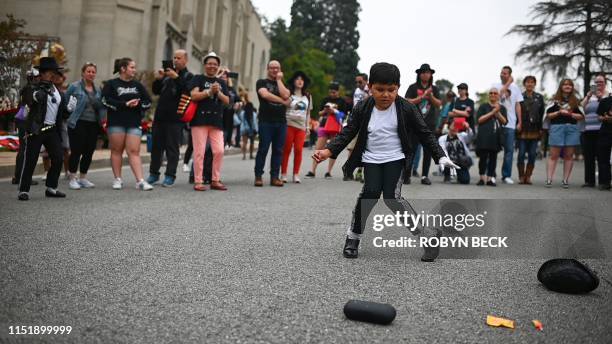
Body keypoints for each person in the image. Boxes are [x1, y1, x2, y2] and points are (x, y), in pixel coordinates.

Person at [312, 62, 459, 260]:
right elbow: (348, 132)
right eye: (380, 90)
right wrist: (328, 151)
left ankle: (427, 237)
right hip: (371, 159)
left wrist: (441, 155)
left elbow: (425, 133)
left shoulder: (406, 107)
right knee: (369, 194)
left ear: (398, 88)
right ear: (370, 87)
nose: (386, 95)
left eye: (391, 90)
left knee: (392, 198)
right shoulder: (363, 107)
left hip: (396, 158)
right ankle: (353, 237)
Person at [17, 57, 73, 200]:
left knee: (58, 158)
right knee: (31, 159)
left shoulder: (57, 91)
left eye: (54, 72)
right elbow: (29, 99)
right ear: (41, 73)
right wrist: (37, 94)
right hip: (37, 129)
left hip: (52, 129)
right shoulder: (33, 87)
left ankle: (51, 187)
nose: (52, 74)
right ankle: (24, 190)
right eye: (49, 72)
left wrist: (70, 109)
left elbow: (62, 114)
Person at [101, 57, 153, 191]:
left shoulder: (138, 85)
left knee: (134, 151)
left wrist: (138, 104)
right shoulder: (111, 84)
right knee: (117, 150)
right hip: (116, 122)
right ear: (123, 69)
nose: (134, 70)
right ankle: (118, 179)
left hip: (133, 122)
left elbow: (148, 101)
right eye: (132, 67)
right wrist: (124, 104)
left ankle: (140, 181)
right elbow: (105, 101)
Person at [147, 50, 193, 187]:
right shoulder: (167, 75)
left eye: (179, 58)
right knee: (156, 147)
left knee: (172, 148)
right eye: (174, 57)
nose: (175, 60)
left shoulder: (189, 76)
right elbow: (156, 91)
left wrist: (176, 78)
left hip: (175, 118)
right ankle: (153, 174)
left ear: (185, 60)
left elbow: (187, 91)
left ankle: (170, 175)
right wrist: (158, 79)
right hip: (160, 117)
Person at [188, 52, 230, 191]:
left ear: (218, 66)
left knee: (219, 151)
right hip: (199, 119)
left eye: (215, 64)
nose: (212, 66)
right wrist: (209, 92)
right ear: (205, 65)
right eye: (210, 63)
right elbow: (193, 95)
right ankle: (198, 181)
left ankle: (215, 180)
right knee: (199, 152)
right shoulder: (198, 78)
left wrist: (218, 92)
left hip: (216, 120)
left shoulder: (222, 82)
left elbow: (228, 101)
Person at [65, 62, 105, 190]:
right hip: (77, 122)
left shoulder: (98, 89)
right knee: (76, 151)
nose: (91, 74)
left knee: (89, 151)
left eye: (93, 72)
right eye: (88, 71)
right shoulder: (74, 87)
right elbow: (66, 102)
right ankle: (72, 178)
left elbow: (101, 106)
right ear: (83, 73)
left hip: (93, 124)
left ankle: (83, 178)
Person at [254, 60, 290, 187]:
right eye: (272, 68)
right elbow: (265, 95)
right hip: (265, 121)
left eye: (277, 68)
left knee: (278, 150)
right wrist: (282, 101)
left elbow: (286, 95)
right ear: (268, 69)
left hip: (281, 122)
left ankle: (274, 177)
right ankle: (258, 176)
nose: (274, 70)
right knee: (263, 149)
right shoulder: (261, 82)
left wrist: (279, 80)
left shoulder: (283, 85)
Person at [405, 63, 441, 185]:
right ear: (419, 74)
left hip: (429, 125)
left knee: (427, 151)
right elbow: (407, 101)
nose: (426, 74)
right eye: (423, 72)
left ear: (431, 74)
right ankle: (407, 174)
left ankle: (425, 176)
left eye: (428, 72)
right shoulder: (413, 87)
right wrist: (421, 97)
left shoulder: (434, 89)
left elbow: (438, 104)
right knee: (412, 150)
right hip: (414, 123)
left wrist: (430, 96)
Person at [545, 79, 584, 188]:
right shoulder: (554, 100)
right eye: (565, 84)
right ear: (561, 86)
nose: (567, 86)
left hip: (571, 128)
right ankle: (549, 179)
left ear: (572, 87)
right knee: (554, 155)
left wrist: (570, 114)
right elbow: (548, 115)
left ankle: (565, 180)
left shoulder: (576, 101)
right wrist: (559, 112)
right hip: (557, 128)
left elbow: (581, 116)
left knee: (569, 155)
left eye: (570, 85)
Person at [306, 82, 348, 179]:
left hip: (335, 126)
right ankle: (313, 170)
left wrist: (334, 111)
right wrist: (325, 111)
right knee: (318, 148)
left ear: (338, 92)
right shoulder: (325, 100)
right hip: (324, 125)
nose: (332, 94)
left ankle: (329, 171)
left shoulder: (342, 101)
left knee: (333, 149)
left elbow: (344, 115)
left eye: (334, 92)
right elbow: (319, 113)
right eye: (330, 92)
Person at [280, 71, 312, 183]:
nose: (300, 81)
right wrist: (288, 99)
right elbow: (284, 105)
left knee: (298, 150)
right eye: (297, 79)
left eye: (302, 79)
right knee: (287, 150)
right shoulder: (289, 94)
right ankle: (283, 174)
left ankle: (296, 174)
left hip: (301, 127)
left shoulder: (307, 96)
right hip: (289, 124)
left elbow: (308, 113)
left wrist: (307, 127)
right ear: (293, 81)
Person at [12, 69, 40, 186]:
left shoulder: (26, 88)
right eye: (37, 77)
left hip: (22, 121)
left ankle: (18, 176)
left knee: (23, 148)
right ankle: (21, 177)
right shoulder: (31, 89)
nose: (39, 78)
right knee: (25, 148)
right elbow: (31, 106)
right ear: (33, 78)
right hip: (26, 122)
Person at [475, 86, 508, 187]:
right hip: (484, 137)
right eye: (491, 93)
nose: (493, 95)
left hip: (496, 137)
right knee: (483, 158)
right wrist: (492, 112)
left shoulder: (502, 108)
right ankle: (481, 178)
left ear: (498, 95)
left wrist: (497, 113)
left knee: (493, 158)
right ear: (489, 95)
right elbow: (480, 120)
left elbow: (505, 122)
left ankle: (490, 179)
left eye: (495, 93)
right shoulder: (483, 106)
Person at [496, 66, 524, 184]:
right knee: (493, 149)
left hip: (511, 124)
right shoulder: (495, 85)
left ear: (510, 74)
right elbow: (498, 96)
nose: (502, 75)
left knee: (509, 151)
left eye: (505, 73)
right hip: (497, 122)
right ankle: (490, 173)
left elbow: (517, 105)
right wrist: (508, 83)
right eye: (501, 73)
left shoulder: (516, 88)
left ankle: (506, 175)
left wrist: (520, 121)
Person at [581, 73, 609, 188]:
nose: (598, 84)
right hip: (588, 130)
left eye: (601, 82)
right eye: (596, 82)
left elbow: (608, 109)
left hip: (603, 131)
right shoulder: (589, 96)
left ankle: (604, 182)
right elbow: (580, 108)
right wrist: (587, 97)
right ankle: (589, 181)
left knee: (603, 157)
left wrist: (600, 98)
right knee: (589, 157)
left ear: (605, 84)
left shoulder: (608, 95)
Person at [517, 75, 545, 185]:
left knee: (533, 154)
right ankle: (521, 176)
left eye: (532, 82)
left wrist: (541, 128)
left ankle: (528, 176)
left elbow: (542, 113)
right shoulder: (520, 96)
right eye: (527, 82)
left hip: (535, 129)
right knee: (521, 154)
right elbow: (516, 112)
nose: (530, 84)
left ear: (534, 84)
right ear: (524, 84)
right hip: (523, 128)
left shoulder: (539, 97)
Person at [345, 73, 370, 182]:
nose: (358, 84)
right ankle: (348, 171)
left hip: (366, 122)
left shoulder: (370, 90)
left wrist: (368, 92)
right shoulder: (356, 90)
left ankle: (360, 172)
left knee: (364, 148)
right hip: (355, 120)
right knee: (351, 147)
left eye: (360, 82)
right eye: (356, 82)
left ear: (366, 81)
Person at [596, 93, 612, 191]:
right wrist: (605, 118)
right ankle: (604, 182)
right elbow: (599, 117)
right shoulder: (605, 101)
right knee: (603, 158)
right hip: (605, 132)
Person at [239, 90, 257, 160]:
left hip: (244, 128)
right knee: (252, 142)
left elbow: (241, 118)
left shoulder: (242, 111)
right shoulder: (253, 111)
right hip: (252, 128)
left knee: (244, 142)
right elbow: (254, 121)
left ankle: (244, 155)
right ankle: (251, 155)